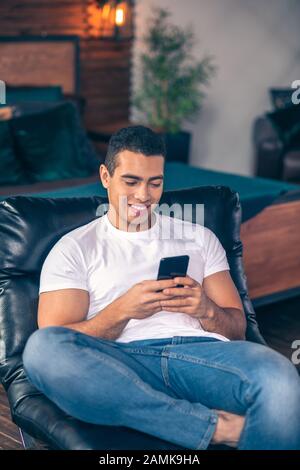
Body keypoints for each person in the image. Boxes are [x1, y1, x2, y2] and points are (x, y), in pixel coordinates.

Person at [23, 126, 300, 450]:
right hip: (120, 361)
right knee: (41, 349)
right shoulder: (75, 248)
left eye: (155, 182)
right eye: (131, 181)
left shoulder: (199, 237)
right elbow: (59, 340)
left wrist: (206, 310)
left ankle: (165, 417)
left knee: (281, 381)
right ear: (105, 176)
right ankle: (214, 429)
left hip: (200, 356)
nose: (143, 195)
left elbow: (237, 330)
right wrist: (122, 311)